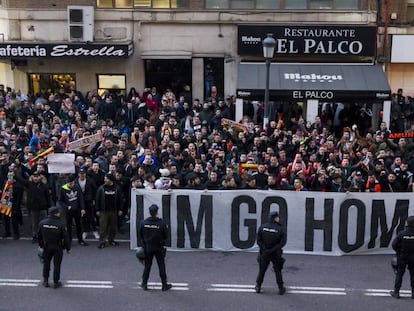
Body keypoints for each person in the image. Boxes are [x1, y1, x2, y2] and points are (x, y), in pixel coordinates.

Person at [138, 204, 172, 291]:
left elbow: (140, 234)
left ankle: (144, 283)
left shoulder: (143, 222)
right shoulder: (162, 223)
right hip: (158, 246)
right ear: (157, 212)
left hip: (148, 247)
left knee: (147, 266)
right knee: (161, 266)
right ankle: (164, 284)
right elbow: (166, 235)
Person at [38, 206, 71, 289]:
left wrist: (41, 245)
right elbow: (66, 238)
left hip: (46, 247)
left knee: (46, 264)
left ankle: (45, 281)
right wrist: (68, 248)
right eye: (58, 212)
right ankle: (56, 282)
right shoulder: (60, 224)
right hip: (57, 247)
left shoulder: (42, 223)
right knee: (57, 265)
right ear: (56, 214)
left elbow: (39, 236)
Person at [255, 210, 287, 295]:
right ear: (276, 218)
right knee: (277, 270)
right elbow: (282, 243)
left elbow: (258, 241)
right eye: (278, 217)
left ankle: (258, 286)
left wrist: (265, 250)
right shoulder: (280, 229)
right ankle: (281, 288)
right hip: (275, 253)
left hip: (264, 253)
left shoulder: (262, 227)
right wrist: (272, 250)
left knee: (262, 270)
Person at [95, 172, 123, 249]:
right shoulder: (101, 188)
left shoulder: (117, 188)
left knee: (113, 227)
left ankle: (111, 240)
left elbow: (120, 199)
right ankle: (102, 241)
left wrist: (120, 209)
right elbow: (97, 199)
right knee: (103, 227)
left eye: (106, 178)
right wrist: (97, 209)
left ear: (110, 180)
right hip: (104, 211)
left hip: (114, 211)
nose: (104, 180)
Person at [390, 216, 414, 299]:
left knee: (399, 274)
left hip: (402, 256)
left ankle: (396, 293)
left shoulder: (402, 233)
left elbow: (394, 245)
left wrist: (399, 252)